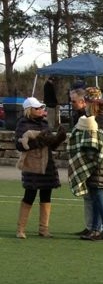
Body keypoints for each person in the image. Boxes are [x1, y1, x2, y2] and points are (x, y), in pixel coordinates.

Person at [14, 97, 67, 239]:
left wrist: (59, 138)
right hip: (32, 164)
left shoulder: (44, 123)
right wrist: (38, 141)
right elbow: (19, 145)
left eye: (41, 108)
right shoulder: (22, 124)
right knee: (29, 196)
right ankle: (21, 229)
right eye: (37, 108)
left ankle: (44, 229)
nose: (40, 110)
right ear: (29, 110)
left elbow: (51, 145)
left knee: (46, 195)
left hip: (47, 163)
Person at [66, 95, 103, 242]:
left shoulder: (101, 118)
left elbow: (98, 139)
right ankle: (94, 229)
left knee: (99, 198)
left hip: (98, 165)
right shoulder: (95, 117)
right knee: (95, 199)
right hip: (96, 165)